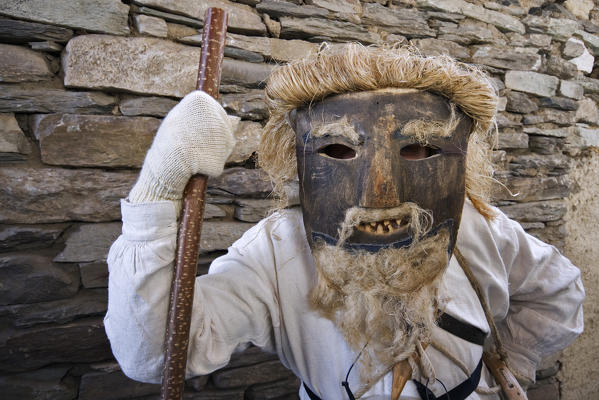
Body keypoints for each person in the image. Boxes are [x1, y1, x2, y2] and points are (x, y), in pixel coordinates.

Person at [105, 44, 584, 400]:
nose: (381, 195)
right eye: (337, 150)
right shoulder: (276, 251)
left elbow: (558, 290)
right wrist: (158, 195)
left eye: (419, 149)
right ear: (299, 160)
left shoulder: (482, 228)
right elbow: (157, 356)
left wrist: (510, 361)